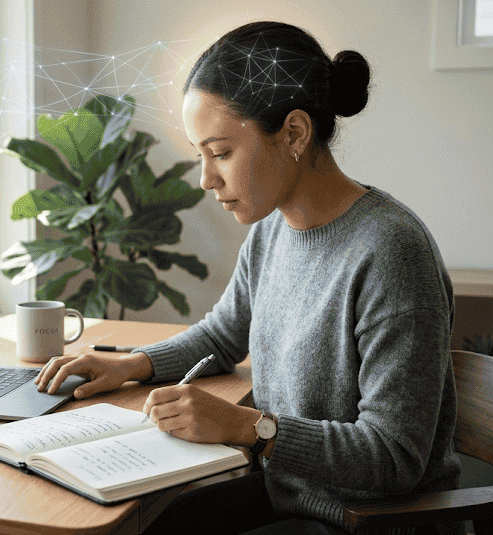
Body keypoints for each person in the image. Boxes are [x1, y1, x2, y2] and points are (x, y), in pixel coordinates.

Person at [35, 21, 461, 535]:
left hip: (363, 521)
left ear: (295, 134)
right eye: (200, 155)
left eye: (221, 153)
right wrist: (130, 366)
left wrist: (247, 427)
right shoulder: (273, 232)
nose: (205, 179)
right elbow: (222, 335)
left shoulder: (392, 252)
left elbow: (394, 457)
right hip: (288, 497)